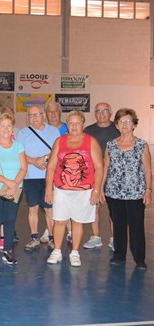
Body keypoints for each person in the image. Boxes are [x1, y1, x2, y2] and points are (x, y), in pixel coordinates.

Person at [45, 111, 103, 268]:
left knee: (77, 222)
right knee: (59, 221)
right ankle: (57, 251)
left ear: (83, 124)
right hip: (61, 190)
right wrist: (48, 189)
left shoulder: (91, 141)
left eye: (77, 123)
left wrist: (96, 191)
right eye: (71, 123)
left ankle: (75, 253)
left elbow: (99, 166)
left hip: (84, 191)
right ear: (67, 125)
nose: (74, 126)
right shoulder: (60, 141)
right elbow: (50, 167)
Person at [102, 109, 151, 269]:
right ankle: (119, 255)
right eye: (121, 121)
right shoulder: (110, 145)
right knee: (118, 225)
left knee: (137, 226)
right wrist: (101, 189)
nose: (124, 124)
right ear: (116, 125)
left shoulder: (142, 145)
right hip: (114, 192)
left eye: (128, 121)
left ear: (134, 124)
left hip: (136, 192)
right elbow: (105, 167)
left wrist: (148, 190)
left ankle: (139, 259)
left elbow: (148, 170)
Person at [0, 113, 28, 265]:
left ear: (12, 128)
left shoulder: (19, 146)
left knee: (9, 220)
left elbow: (23, 168)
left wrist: (14, 184)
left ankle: (8, 250)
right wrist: (8, 182)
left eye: (9, 125)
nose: (6, 129)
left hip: (14, 188)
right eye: (3, 126)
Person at [17, 105, 61, 251]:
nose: (34, 117)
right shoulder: (23, 133)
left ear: (43, 115)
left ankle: (53, 238)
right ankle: (34, 237)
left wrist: (46, 160)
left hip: (49, 176)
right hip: (30, 177)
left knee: (49, 209)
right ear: (27, 117)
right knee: (32, 208)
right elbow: (20, 154)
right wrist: (35, 161)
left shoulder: (54, 131)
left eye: (37, 114)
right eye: (31, 115)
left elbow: (58, 151)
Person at [82, 102, 120, 250]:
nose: (101, 113)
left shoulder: (118, 129)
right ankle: (96, 236)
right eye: (98, 111)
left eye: (105, 111)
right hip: (94, 175)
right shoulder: (88, 130)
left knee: (114, 210)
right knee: (94, 207)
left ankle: (115, 239)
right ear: (94, 114)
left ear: (110, 112)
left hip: (114, 176)